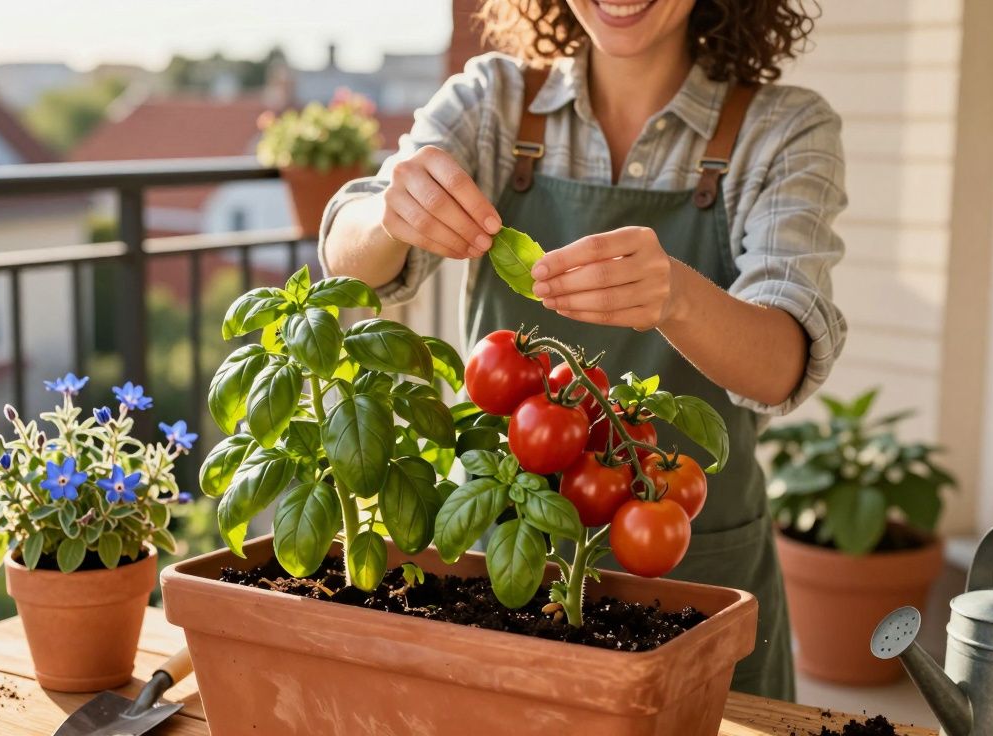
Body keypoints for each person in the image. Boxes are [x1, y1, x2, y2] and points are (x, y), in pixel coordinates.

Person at [318, 0, 847, 700]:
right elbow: (347, 259)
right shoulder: (495, 100)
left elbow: (782, 364)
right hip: (508, 554)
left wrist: (678, 299)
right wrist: (391, 215)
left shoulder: (783, 128)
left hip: (695, 563)